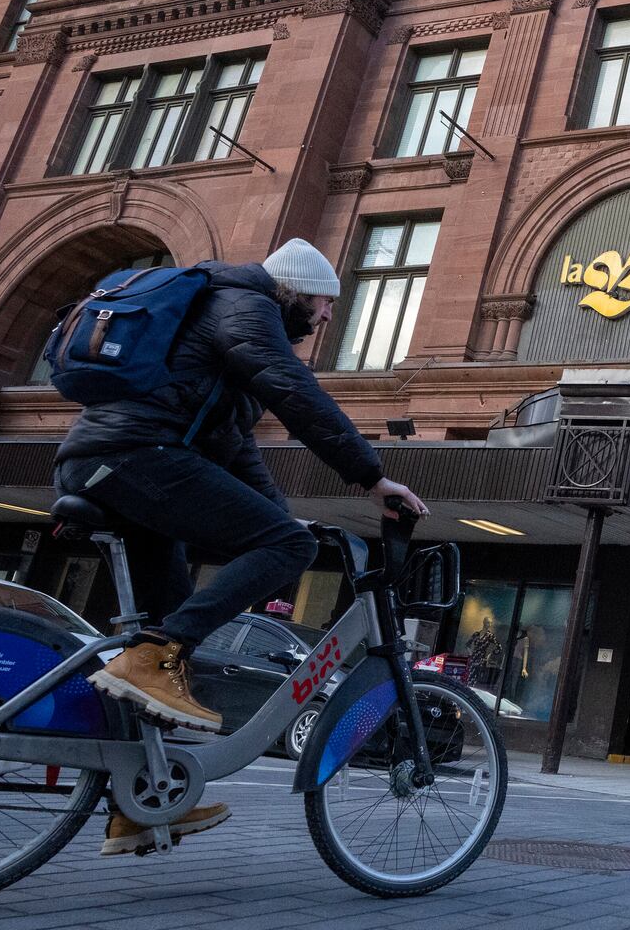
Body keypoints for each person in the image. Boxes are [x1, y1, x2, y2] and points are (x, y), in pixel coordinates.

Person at [54, 239, 428, 857]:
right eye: (324, 304)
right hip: (131, 458)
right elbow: (291, 387)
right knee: (197, 619)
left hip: (120, 465)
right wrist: (370, 475)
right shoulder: (243, 303)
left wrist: (283, 522)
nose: (328, 317)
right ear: (295, 291)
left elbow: (237, 450)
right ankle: (151, 658)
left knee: (172, 626)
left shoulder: (227, 340)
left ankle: (138, 805)